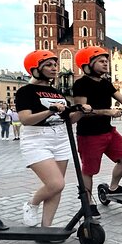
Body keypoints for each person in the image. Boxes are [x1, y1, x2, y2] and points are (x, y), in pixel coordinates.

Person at [15, 50, 90, 227]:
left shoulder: (56, 92)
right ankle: (31, 204)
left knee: (57, 188)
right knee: (56, 183)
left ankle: (46, 227)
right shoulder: (26, 91)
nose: (54, 68)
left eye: (55, 65)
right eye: (48, 65)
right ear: (35, 69)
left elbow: (68, 120)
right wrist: (50, 110)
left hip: (60, 139)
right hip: (37, 140)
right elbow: (25, 120)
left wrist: (80, 112)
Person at [72, 46, 122, 215]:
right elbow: (81, 112)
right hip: (89, 134)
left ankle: (113, 188)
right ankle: (87, 204)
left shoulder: (105, 83)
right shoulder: (81, 84)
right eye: (101, 61)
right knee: (89, 171)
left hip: (108, 130)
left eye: (106, 61)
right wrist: (106, 112)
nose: (106, 64)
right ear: (88, 64)